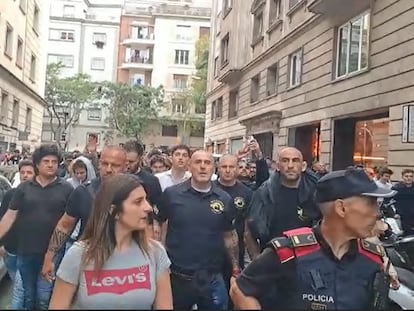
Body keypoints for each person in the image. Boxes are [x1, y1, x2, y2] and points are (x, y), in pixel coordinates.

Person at [230, 167, 397, 310]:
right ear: (341, 208)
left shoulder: (372, 260)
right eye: (371, 203)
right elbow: (240, 289)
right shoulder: (288, 253)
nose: (377, 213)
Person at [49, 174, 172, 309]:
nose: (148, 207)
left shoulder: (155, 252)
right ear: (114, 211)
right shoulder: (79, 254)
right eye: (138, 201)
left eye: (146, 200)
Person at [155, 150, 238, 310]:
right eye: (197, 162)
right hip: (178, 277)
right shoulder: (172, 195)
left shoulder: (224, 199)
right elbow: (156, 223)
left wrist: (235, 268)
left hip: (212, 278)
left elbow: (229, 235)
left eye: (207, 163)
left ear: (214, 168)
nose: (202, 167)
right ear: (189, 166)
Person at [0, 144, 74, 309]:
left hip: (52, 252)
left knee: (44, 295)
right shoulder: (24, 189)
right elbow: (9, 217)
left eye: (54, 161)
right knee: (27, 294)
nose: (50, 164)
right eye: (46, 161)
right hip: (26, 251)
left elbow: (70, 221)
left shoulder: (67, 189)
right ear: (37, 164)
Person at [41, 146, 127, 281]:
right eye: (105, 164)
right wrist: (49, 257)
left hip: (125, 263)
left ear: (125, 166)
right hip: (88, 261)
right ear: (99, 164)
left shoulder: (136, 193)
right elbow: (65, 225)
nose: (109, 169)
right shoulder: (83, 192)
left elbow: (146, 229)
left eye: (115, 165)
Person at [244, 147, 320, 259]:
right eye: (285, 160)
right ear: (278, 166)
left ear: (303, 166)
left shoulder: (316, 193)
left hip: (308, 260)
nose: (290, 166)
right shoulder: (264, 193)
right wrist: (257, 261)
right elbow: (249, 230)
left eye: (295, 161)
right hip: (273, 260)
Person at [0, 159, 34, 309]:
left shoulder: (39, 197)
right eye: (22, 173)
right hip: (10, 250)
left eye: (29, 172)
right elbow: (2, 218)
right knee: (17, 285)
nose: (25, 176)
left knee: (20, 289)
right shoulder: (10, 195)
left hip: (28, 251)